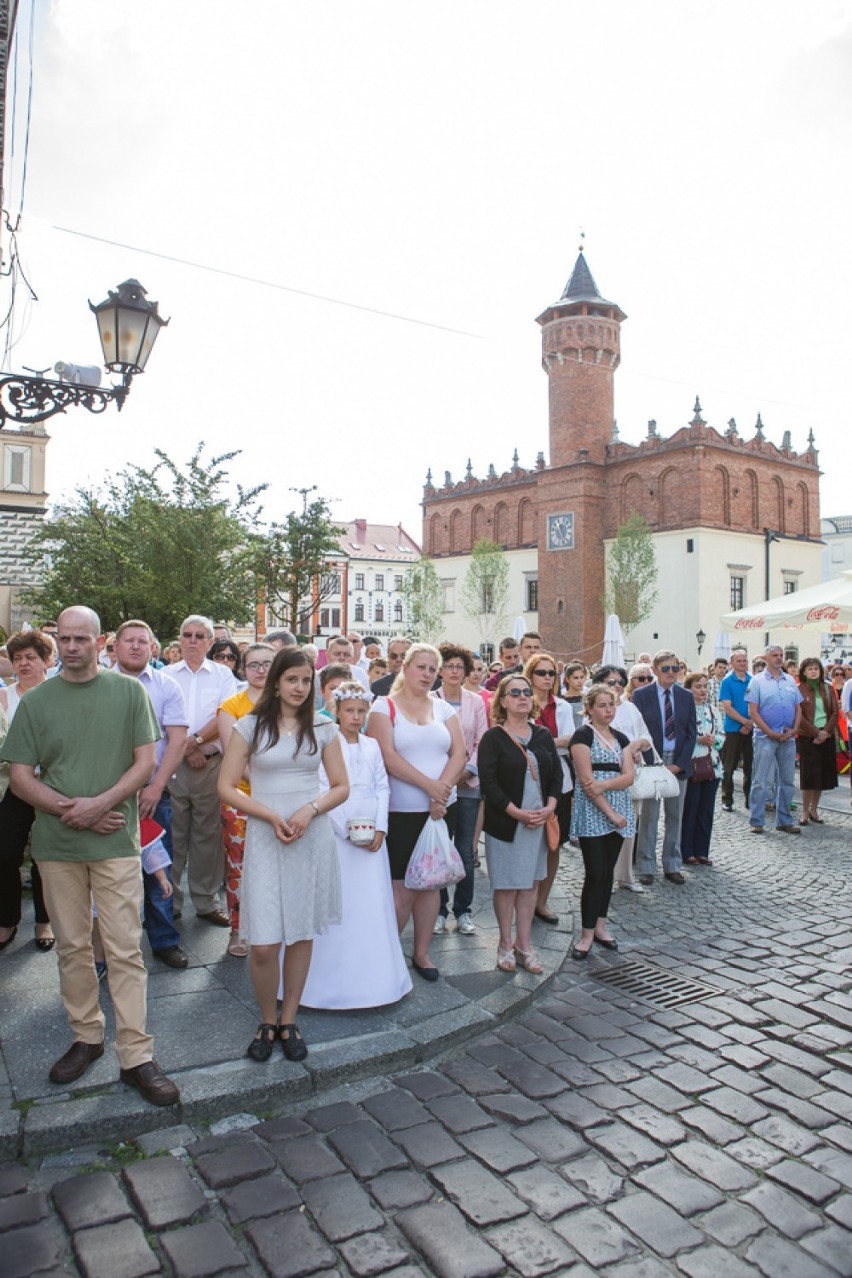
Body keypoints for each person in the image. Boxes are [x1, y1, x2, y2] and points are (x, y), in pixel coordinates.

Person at [1, 606, 179, 1105]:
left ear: (100, 643)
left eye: (83, 638)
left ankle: (136, 1054)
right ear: (58, 640)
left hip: (115, 840)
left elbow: (146, 762)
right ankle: (87, 1037)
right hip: (57, 846)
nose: (74, 646)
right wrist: (70, 810)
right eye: (67, 638)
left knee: (124, 947)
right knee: (73, 946)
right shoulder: (37, 702)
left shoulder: (128, 693)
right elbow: (19, 775)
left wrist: (99, 805)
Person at [218, 647, 349, 1061]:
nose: (299, 687)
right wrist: (270, 815)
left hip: (309, 835)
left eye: (306, 680)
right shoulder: (249, 726)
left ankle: (288, 1019)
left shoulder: (323, 727)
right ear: (275, 680)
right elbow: (225, 787)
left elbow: (340, 786)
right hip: (264, 833)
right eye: (291, 679)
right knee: (263, 942)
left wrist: (309, 811)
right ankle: (266, 1019)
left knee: (300, 931)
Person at [301, 682, 411, 1008]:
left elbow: (382, 787)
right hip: (339, 833)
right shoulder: (326, 743)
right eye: (349, 710)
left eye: (361, 711)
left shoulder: (373, 745)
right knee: (340, 900)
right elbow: (322, 788)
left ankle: (377, 978)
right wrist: (347, 831)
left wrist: (380, 827)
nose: (355, 717)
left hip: (372, 834)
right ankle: (326, 981)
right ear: (336, 711)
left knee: (371, 901)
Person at [366, 643, 466, 981]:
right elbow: (387, 756)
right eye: (420, 667)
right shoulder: (384, 706)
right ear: (405, 668)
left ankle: (421, 953)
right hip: (401, 812)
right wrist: (429, 786)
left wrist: (443, 791)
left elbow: (459, 753)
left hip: (439, 811)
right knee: (402, 891)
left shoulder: (443, 709)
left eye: (431, 669)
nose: (426, 674)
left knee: (431, 885)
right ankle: (387, 954)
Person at [113, 619, 190, 969]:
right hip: (107, 794)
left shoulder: (166, 686)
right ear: (114, 646)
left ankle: (164, 940)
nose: (134, 646)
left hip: (152, 793)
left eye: (141, 641)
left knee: (158, 865)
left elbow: (176, 740)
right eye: (127, 640)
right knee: (109, 873)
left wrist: (157, 786)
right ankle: (109, 951)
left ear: (152, 647)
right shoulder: (99, 684)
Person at [478, 674, 561, 974]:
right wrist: (516, 812)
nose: (523, 697)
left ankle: (524, 945)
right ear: (502, 700)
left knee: (529, 885)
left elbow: (556, 777)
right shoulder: (493, 738)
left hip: (538, 822)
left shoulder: (541, 735)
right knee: (507, 885)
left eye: (527, 692)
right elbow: (488, 782)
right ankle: (504, 943)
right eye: (514, 693)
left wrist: (550, 806)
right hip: (507, 823)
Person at [166, 615, 238, 925]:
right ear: (179, 639)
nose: (193, 640)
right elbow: (161, 719)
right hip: (172, 766)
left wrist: (195, 743)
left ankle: (206, 900)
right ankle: (169, 901)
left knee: (207, 835)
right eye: (187, 635)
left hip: (211, 764)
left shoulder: (223, 676)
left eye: (200, 636)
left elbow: (224, 714)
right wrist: (186, 749)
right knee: (174, 834)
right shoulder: (166, 675)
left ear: (210, 642)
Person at [568, 685, 635, 958]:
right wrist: (609, 812)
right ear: (590, 708)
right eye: (602, 705)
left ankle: (600, 926)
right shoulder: (583, 736)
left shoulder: (621, 737)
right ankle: (585, 934)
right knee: (595, 872)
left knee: (607, 872)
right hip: (594, 811)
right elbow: (586, 781)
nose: (608, 710)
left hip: (619, 807)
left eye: (611, 704)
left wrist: (605, 784)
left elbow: (629, 776)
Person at [217, 643, 275, 956]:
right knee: (238, 865)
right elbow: (233, 756)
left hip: (284, 797)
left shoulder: (288, 702)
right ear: (243, 668)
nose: (261, 670)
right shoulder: (231, 707)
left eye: (267, 663)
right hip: (241, 797)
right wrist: (268, 784)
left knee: (277, 865)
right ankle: (238, 930)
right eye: (253, 664)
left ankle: (272, 928)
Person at [0, 630, 54, 952]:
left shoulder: (59, 694)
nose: (23, 664)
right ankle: (7, 919)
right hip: (12, 787)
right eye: (17, 658)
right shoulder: (4, 697)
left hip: (51, 786)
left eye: (30, 657)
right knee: (5, 855)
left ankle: (44, 921)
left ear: (46, 660)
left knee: (45, 857)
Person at [433, 644, 487, 936]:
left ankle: (463, 910)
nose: (454, 671)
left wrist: (468, 771)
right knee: (440, 847)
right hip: (439, 784)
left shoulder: (476, 702)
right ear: (440, 670)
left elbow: (481, 740)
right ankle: (439, 909)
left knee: (465, 849)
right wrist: (446, 778)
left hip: (467, 783)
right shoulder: (430, 700)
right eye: (449, 666)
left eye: (459, 667)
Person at [632, 649, 697, 885]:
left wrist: (679, 765)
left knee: (675, 817)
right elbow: (638, 731)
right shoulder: (641, 696)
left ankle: (672, 863)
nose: (672, 673)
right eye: (666, 668)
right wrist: (653, 763)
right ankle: (646, 865)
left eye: (675, 668)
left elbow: (691, 734)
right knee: (649, 817)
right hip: (652, 764)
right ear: (656, 670)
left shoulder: (686, 696)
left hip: (678, 763)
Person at [592, 664, 652, 893]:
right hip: (606, 775)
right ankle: (604, 877)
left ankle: (626, 875)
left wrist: (636, 746)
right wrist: (625, 752)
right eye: (611, 682)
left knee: (628, 826)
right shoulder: (595, 710)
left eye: (620, 682)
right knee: (605, 826)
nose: (617, 686)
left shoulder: (630, 709)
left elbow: (646, 736)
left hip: (632, 775)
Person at [524, 651, 571, 925]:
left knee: (554, 843)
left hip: (558, 781)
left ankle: (542, 901)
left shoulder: (562, 707)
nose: (546, 678)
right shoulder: (520, 702)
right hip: (527, 782)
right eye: (541, 673)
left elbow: (569, 740)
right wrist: (554, 742)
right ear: (530, 675)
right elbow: (519, 740)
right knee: (529, 843)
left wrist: (543, 743)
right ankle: (525, 898)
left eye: (551, 673)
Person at [746, 644, 803, 834]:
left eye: (781, 655)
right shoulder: (757, 681)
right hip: (765, 737)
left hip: (788, 737)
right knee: (761, 780)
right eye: (774, 655)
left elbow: (798, 707)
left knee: (787, 780)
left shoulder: (789, 681)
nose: (779, 658)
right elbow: (753, 712)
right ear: (766, 658)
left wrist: (795, 728)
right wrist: (769, 731)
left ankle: (784, 820)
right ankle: (757, 820)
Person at [681, 672, 723, 866]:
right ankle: (686, 850)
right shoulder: (684, 710)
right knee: (691, 808)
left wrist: (715, 740)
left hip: (712, 765)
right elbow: (681, 737)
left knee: (706, 810)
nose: (703, 690)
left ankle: (702, 850)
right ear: (689, 689)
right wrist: (698, 740)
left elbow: (722, 736)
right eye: (698, 686)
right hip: (692, 764)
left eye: (705, 686)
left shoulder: (713, 710)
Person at [797, 657, 838, 824]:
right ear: (804, 672)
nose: (814, 671)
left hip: (826, 736)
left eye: (816, 668)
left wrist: (825, 732)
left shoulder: (827, 689)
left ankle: (815, 809)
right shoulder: (799, 690)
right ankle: (805, 811)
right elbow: (798, 716)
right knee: (809, 776)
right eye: (810, 668)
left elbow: (835, 713)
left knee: (821, 775)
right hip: (808, 737)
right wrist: (815, 733)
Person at [719, 648, 753, 812]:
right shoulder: (727, 681)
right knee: (729, 766)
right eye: (738, 661)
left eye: (744, 660)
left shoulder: (753, 680)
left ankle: (750, 799)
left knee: (750, 766)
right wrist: (744, 722)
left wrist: (751, 722)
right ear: (732, 663)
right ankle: (727, 798)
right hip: (733, 729)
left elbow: (758, 704)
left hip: (751, 728)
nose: (742, 663)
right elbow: (727, 707)